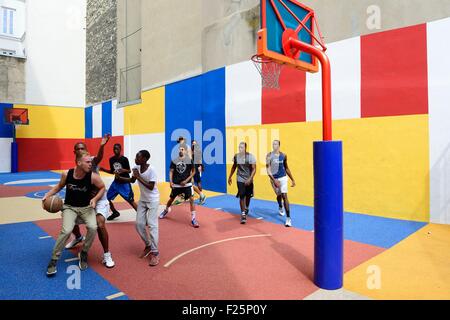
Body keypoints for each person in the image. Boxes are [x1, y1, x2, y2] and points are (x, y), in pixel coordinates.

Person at [43, 151, 105, 276]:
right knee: (66, 231)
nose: (90, 164)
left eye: (91, 162)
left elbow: (102, 187)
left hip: (86, 208)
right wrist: (46, 196)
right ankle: (54, 260)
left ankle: (84, 252)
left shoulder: (92, 176)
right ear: (79, 162)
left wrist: (95, 199)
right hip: (70, 207)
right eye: (87, 162)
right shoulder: (67, 174)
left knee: (93, 227)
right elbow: (58, 187)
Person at [65, 135, 115, 268]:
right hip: (85, 200)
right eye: (78, 149)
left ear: (86, 150)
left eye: (83, 148)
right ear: (75, 152)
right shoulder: (75, 168)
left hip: (99, 199)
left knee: (100, 224)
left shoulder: (90, 161)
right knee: (69, 217)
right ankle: (77, 237)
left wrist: (102, 145)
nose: (80, 149)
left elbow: (98, 158)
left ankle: (106, 254)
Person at [117, 150, 160, 266]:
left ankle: (155, 253)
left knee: (152, 225)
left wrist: (138, 176)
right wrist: (120, 177)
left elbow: (151, 187)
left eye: (138, 157)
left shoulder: (152, 170)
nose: (135, 159)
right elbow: (132, 180)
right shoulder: (136, 167)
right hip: (143, 200)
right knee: (139, 224)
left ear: (145, 159)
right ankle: (148, 245)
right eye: (136, 157)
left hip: (153, 200)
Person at [159, 145, 199, 228]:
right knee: (171, 199)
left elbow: (194, 172)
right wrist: (170, 182)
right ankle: (166, 210)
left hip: (187, 184)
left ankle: (193, 219)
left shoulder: (189, 160)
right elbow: (171, 171)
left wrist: (186, 180)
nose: (180, 151)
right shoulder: (174, 160)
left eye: (182, 149)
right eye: (180, 149)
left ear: (185, 151)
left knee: (191, 199)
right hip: (176, 184)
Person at [100, 143, 138, 220]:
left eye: (117, 149)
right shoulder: (111, 159)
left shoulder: (124, 159)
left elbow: (129, 171)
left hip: (124, 183)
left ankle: (143, 217)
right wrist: (103, 169)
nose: (115, 150)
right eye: (114, 149)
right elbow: (112, 171)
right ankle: (114, 212)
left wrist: (123, 170)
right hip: (116, 183)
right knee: (106, 199)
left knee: (131, 201)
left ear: (121, 149)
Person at [266, 140, 296, 227]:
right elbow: (268, 169)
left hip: (283, 177)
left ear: (279, 145)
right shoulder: (269, 156)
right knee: (278, 195)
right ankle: (280, 206)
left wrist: (292, 179)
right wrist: (274, 180)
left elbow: (286, 167)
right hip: (274, 178)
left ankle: (288, 218)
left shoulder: (283, 155)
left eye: (275, 144)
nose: (274, 145)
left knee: (284, 196)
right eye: (273, 144)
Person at [228, 142, 256, 224]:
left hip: (249, 179)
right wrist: (230, 176)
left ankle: (246, 207)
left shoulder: (250, 157)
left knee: (248, 196)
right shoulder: (236, 156)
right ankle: (243, 214)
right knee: (242, 195)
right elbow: (234, 166)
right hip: (239, 178)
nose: (240, 149)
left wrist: (250, 179)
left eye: (242, 147)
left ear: (245, 148)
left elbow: (254, 169)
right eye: (239, 147)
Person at [191, 140, 206, 205]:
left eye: (195, 144)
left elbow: (200, 160)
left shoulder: (198, 151)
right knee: (194, 182)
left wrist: (200, 166)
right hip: (193, 168)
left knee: (197, 182)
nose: (194, 145)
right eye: (193, 144)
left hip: (196, 168)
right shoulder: (192, 151)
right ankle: (201, 195)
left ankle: (201, 196)